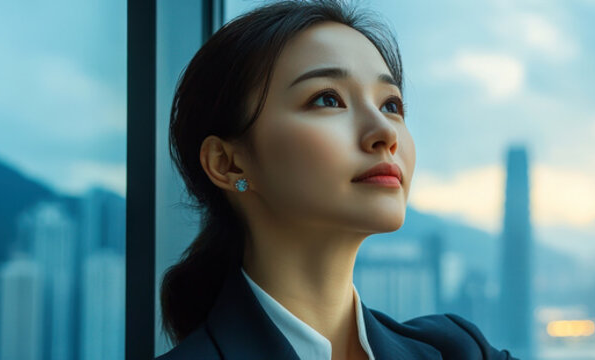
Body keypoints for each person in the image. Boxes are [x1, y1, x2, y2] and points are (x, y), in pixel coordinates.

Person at [156, 1, 514, 359]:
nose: (384, 132)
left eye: (390, 105)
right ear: (228, 164)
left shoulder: (460, 350)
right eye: (328, 99)